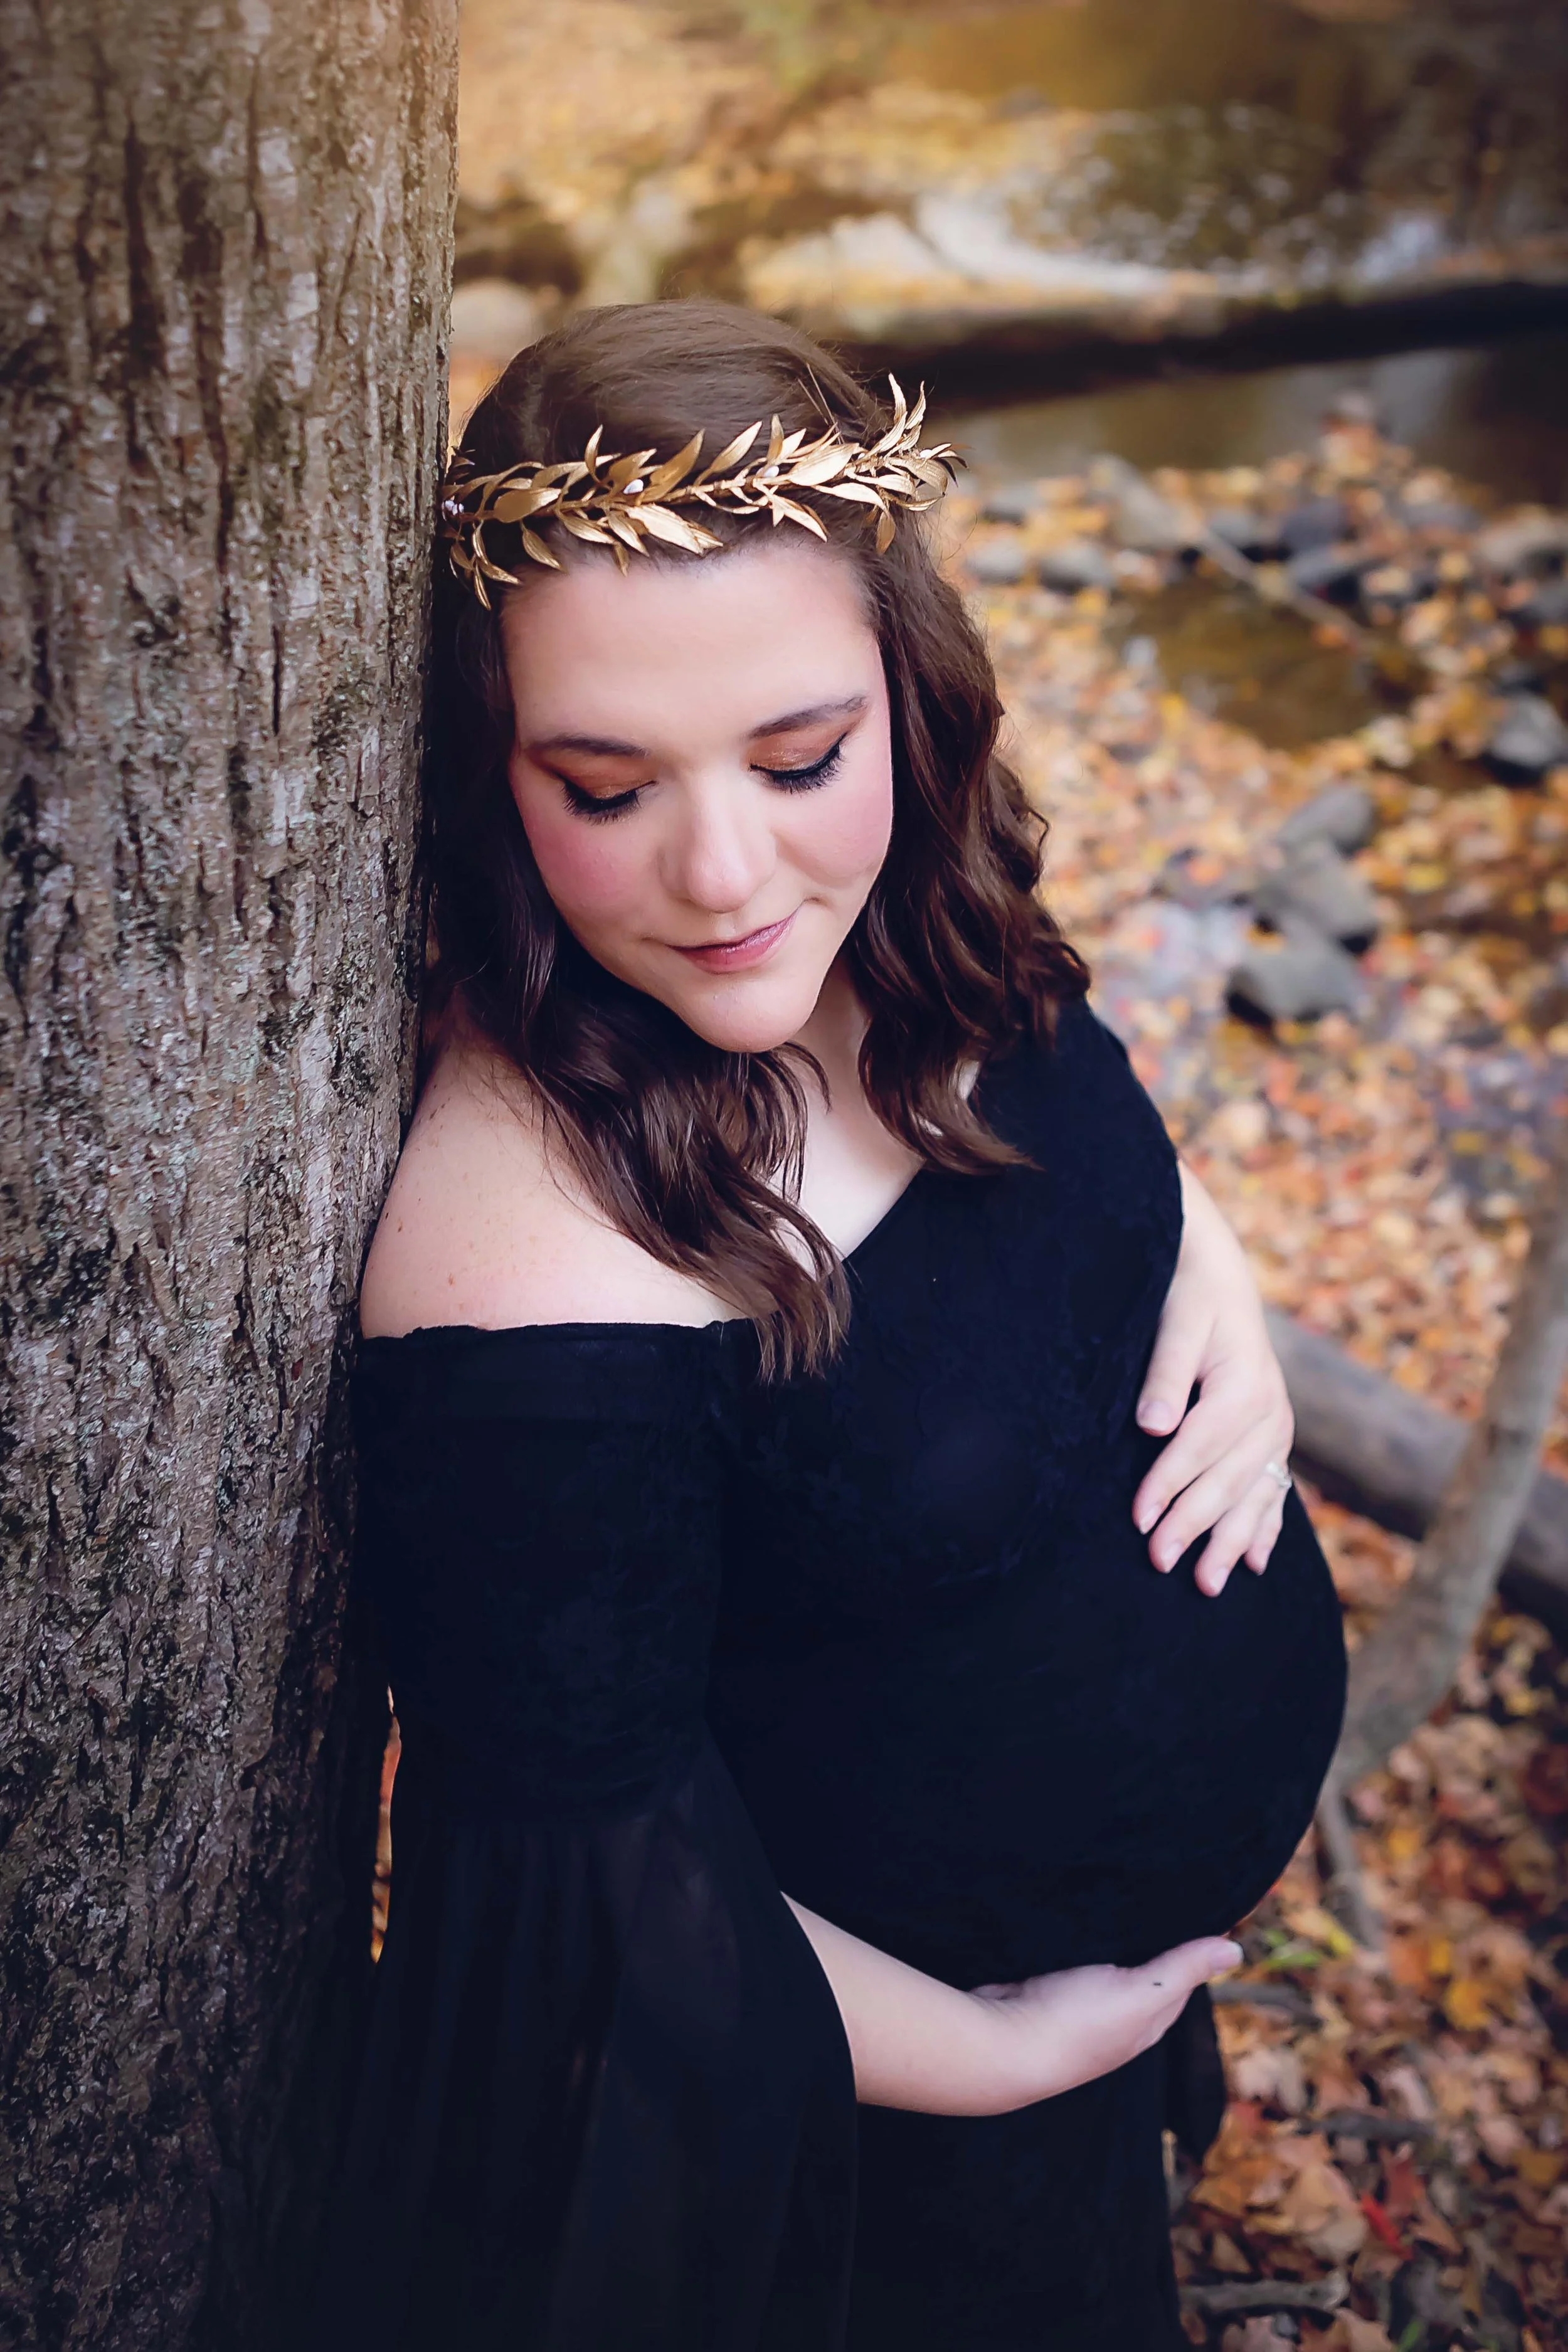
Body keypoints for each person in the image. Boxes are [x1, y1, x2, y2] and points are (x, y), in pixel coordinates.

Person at [310, 302, 1346, 2351]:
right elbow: (573, 1907)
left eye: (798, 758)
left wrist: (1203, 1271)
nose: (722, 874)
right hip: (861, 2164)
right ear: (485, 767)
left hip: (1071, 2018)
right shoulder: (525, 1260)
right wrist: (1001, 2053)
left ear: (903, 693)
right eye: (602, 787)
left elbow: (1063, 1116)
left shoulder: (909, 911)